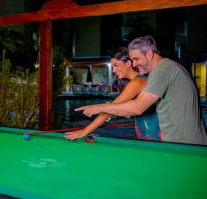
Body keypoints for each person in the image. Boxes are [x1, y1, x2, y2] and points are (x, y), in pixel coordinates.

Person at [71, 35, 207, 145]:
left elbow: (137, 108)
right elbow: (125, 109)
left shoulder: (161, 70)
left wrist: (97, 109)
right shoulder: (170, 67)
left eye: (136, 59)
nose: (135, 63)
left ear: (149, 54)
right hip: (181, 143)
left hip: (183, 145)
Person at [65, 47, 161, 141]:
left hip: (154, 134)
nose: (113, 70)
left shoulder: (139, 81)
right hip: (146, 133)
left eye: (116, 65)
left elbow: (110, 109)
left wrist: (84, 131)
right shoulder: (137, 80)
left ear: (128, 63)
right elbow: (115, 109)